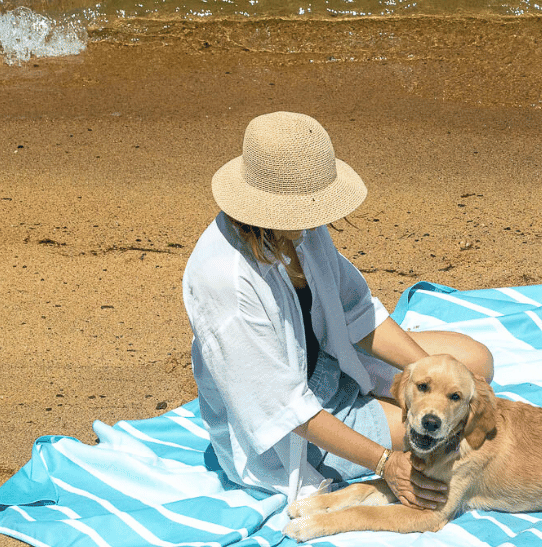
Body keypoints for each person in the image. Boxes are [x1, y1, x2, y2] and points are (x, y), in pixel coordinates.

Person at [182, 110, 493, 509]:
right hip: (296, 429)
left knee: (476, 365)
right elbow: (284, 409)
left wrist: (431, 378)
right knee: (439, 428)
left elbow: (355, 312)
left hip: (332, 360)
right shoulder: (226, 280)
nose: (318, 217)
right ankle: (370, 432)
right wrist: (385, 464)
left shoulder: (299, 226)